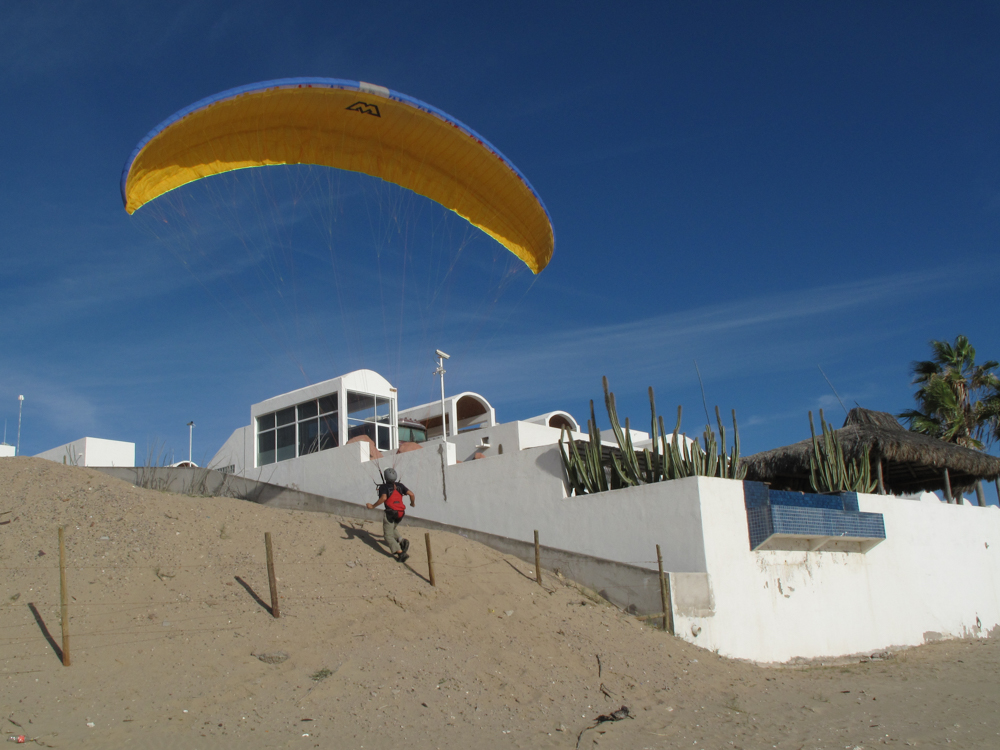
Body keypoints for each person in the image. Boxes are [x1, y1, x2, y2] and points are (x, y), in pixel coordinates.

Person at [366, 467, 416, 562]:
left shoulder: (383, 487)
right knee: (392, 528)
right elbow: (411, 494)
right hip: (401, 513)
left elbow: (384, 498)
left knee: (387, 536)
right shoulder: (400, 485)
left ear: (385, 477)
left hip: (391, 513)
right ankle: (402, 541)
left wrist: (372, 506)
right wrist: (412, 503)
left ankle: (400, 553)